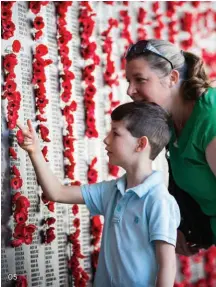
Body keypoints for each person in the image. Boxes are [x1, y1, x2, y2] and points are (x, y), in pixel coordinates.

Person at [17, 102, 180, 287]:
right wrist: (35, 152)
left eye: (116, 133)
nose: (106, 139)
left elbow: (167, 265)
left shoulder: (159, 201)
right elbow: (57, 192)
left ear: (141, 144)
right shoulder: (113, 191)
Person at [125, 39, 216, 256]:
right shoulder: (170, 120)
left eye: (140, 79)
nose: (130, 90)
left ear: (172, 78)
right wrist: (179, 224)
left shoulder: (210, 120)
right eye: (128, 80)